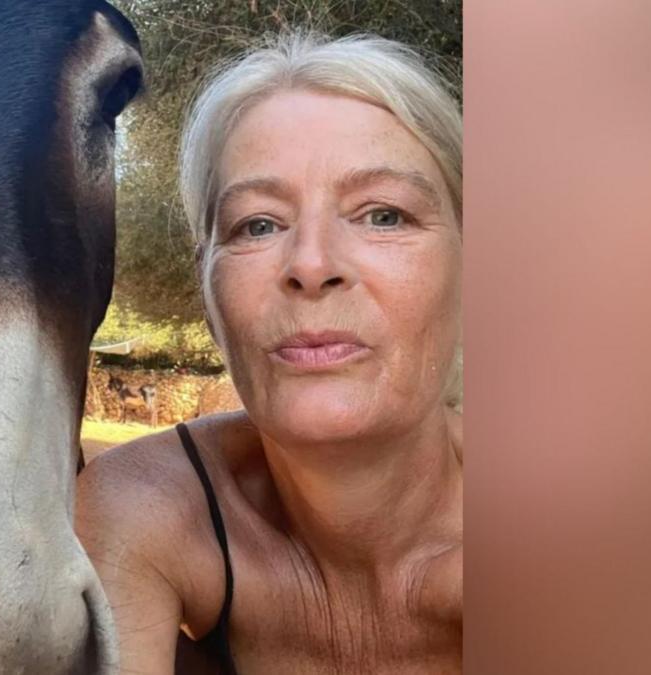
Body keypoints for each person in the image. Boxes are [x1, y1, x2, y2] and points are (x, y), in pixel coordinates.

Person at [77, 31, 462, 674]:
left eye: (384, 215)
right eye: (258, 225)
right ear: (207, 287)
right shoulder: (142, 507)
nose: (311, 265)